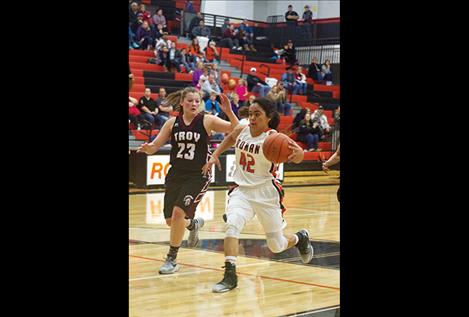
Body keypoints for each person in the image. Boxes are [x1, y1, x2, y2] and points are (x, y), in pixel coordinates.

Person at [202, 97, 313, 293]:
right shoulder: (243, 128)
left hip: (265, 193)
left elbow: (299, 156)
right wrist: (215, 154)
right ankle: (230, 274)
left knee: (276, 245)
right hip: (241, 190)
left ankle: (300, 238)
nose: (252, 118)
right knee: (232, 225)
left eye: (257, 114)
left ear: (268, 117)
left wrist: (298, 155)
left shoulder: (274, 138)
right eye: (250, 114)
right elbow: (229, 138)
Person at [137, 88, 240, 274]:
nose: (194, 104)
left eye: (197, 101)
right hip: (176, 174)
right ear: (182, 103)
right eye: (190, 100)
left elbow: (236, 129)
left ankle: (172, 258)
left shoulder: (207, 120)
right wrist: (147, 148)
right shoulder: (171, 123)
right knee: (171, 221)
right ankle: (193, 224)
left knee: (178, 214)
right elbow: (155, 146)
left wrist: (229, 112)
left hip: (198, 175)